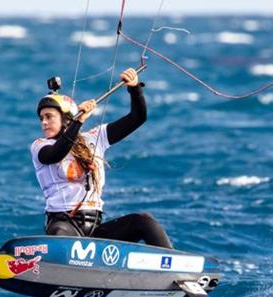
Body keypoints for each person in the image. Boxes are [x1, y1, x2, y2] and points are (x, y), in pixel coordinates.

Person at [30, 67, 173, 248]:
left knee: (143, 221)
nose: (43, 122)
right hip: (64, 225)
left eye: (49, 117)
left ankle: (173, 266)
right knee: (59, 235)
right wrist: (78, 122)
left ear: (66, 118)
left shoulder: (95, 138)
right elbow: (57, 153)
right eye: (41, 118)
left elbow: (138, 118)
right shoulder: (40, 146)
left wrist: (134, 88)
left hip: (95, 228)